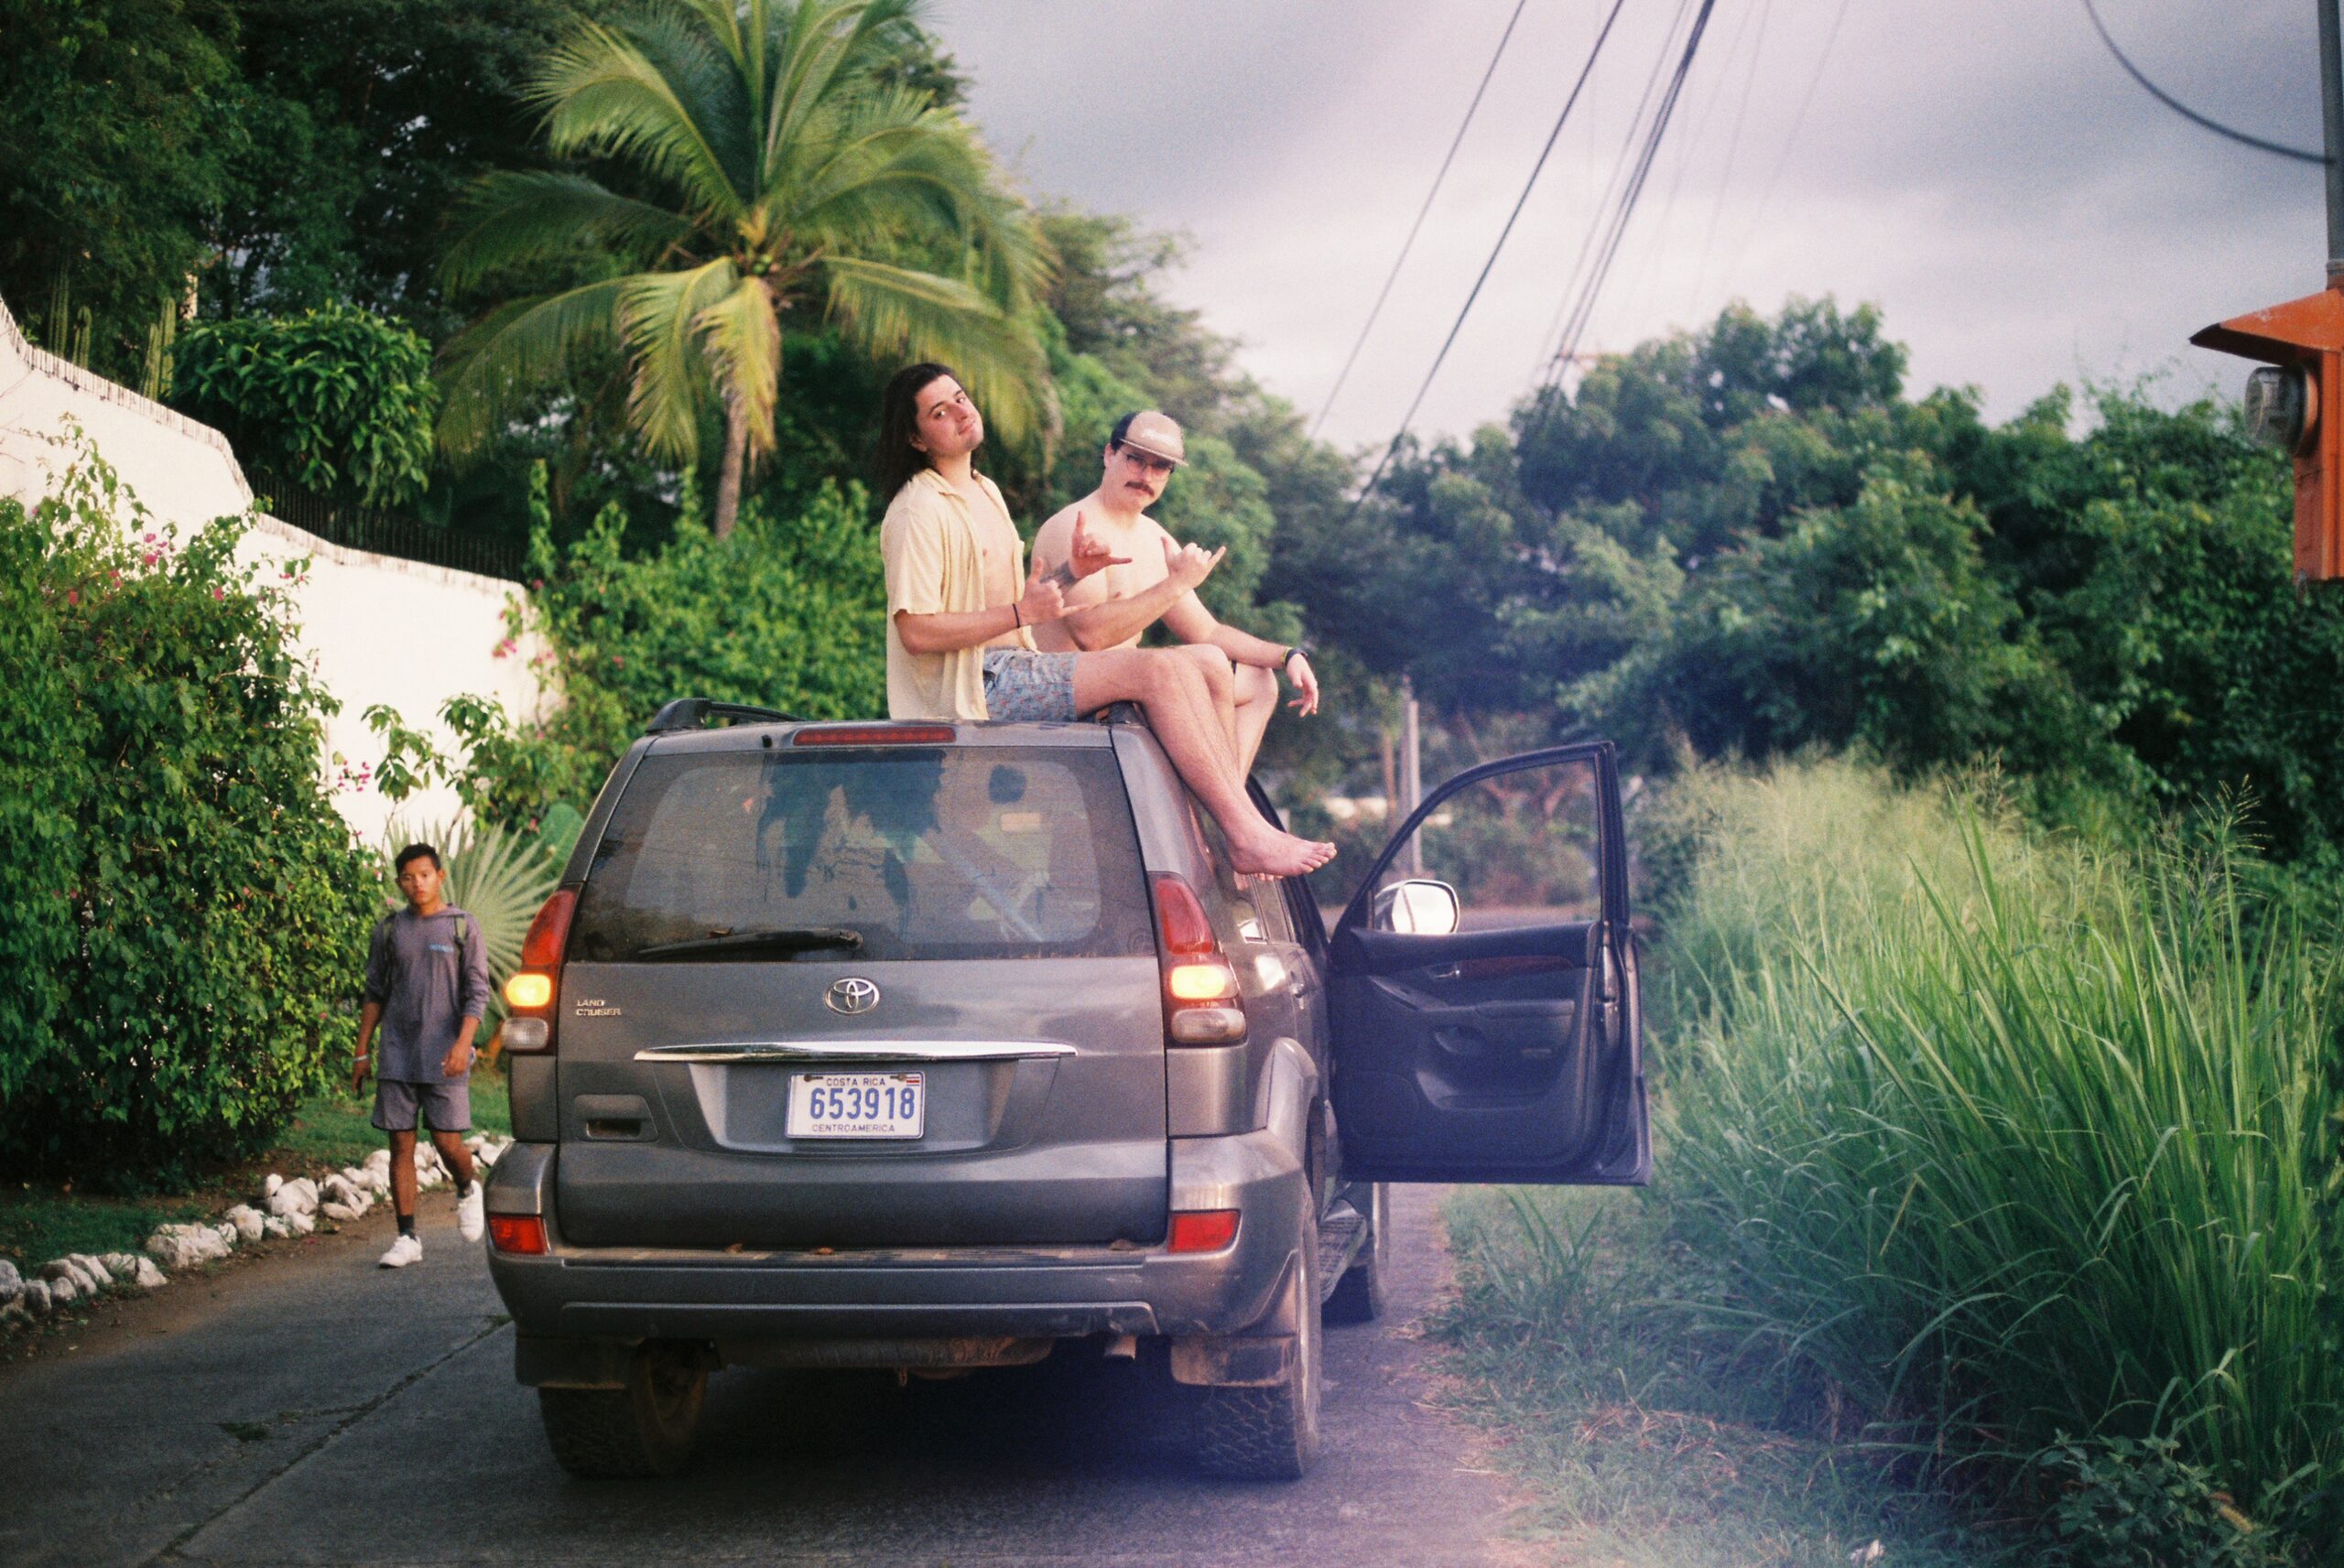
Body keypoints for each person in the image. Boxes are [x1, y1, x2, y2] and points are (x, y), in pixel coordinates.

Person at [875, 362, 1334, 878]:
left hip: (1015, 665)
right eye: (941, 411)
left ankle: (1213, 828)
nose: (962, 412)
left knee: (1211, 662)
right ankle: (1242, 833)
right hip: (979, 683)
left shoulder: (983, 491)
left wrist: (1072, 573)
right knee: (1162, 669)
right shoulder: (919, 509)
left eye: (961, 397)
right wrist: (1028, 610)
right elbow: (915, 631)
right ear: (916, 437)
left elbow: (1025, 606)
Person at [1031, 409, 1320, 774]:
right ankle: (1229, 806)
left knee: (1259, 681)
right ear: (1109, 455)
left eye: (1160, 467)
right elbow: (1091, 635)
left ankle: (1224, 805)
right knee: (1210, 661)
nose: (1145, 476)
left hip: (1131, 687)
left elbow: (1207, 631)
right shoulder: (1075, 526)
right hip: (1071, 690)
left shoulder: (1154, 537)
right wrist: (1177, 582)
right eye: (1136, 460)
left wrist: (1288, 655)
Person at [352, 844, 488, 1268]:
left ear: (440, 876)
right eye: (408, 877)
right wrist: (361, 1054)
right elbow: (375, 992)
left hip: (446, 1053)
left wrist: (463, 1044)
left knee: (447, 1142)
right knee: (400, 1144)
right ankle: (407, 1236)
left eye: (425, 875)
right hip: (397, 1052)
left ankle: (468, 1186)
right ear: (399, 883)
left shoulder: (462, 927)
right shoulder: (389, 930)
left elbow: (477, 993)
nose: (417, 883)